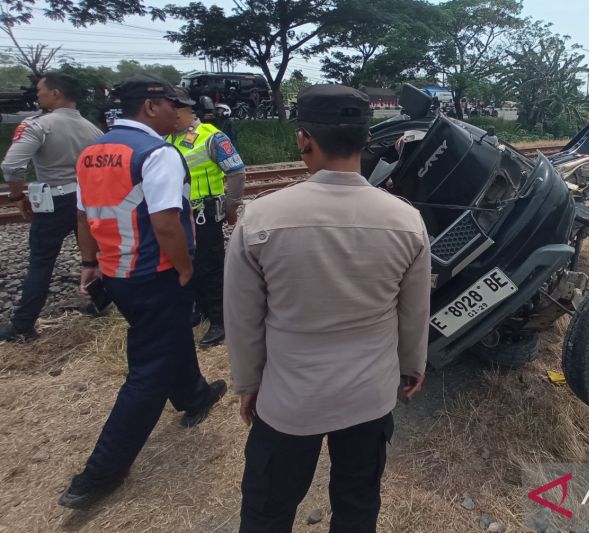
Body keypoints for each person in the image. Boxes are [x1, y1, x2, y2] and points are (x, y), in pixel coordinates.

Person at [225, 84, 431, 532]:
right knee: (358, 505)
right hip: (369, 398)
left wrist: (248, 383)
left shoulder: (261, 217)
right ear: (365, 141)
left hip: (288, 400)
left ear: (304, 139)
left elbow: (242, 319)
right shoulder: (406, 220)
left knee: (267, 509)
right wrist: (412, 366)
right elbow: (413, 312)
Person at [59, 74, 227, 509]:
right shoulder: (157, 153)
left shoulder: (93, 152)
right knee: (148, 370)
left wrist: (90, 264)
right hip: (156, 273)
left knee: (167, 338)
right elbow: (167, 222)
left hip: (117, 273)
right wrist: (187, 269)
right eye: (175, 104)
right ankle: (100, 472)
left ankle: (194, 394)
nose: (180, 112)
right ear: (151, 107)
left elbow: (84, 217)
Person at [0, 72, 102, 342]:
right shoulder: (93, 129)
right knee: (92, 256)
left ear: (55, 93)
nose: (37, 94)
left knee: (41, 262)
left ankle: (23, 325)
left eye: (40, 90)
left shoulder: (38, 125)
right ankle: (99, 305)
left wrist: (17, 197)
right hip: (86, 200)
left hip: (53, 202)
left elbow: (12, 166)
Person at [166, 87, 246, 347]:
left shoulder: (212, 137)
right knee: (189, 264)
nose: (171, 114)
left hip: (205, 215)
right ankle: (199, 308)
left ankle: (220, 320)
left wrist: (232, 206)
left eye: (175, 109)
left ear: (188, 109)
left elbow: (237, 172)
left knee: (211, 267)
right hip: (177, 216)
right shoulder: (166, 138)